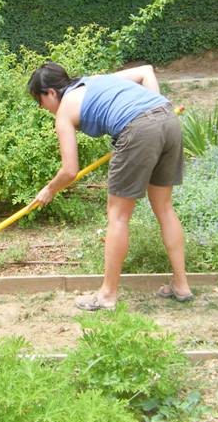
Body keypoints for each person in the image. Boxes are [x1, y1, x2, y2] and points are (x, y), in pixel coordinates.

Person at [27, 61, 193, 311]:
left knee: (118, 217)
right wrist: (152, 112)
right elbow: (145, 71)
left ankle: (106, 295)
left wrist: (49, 189)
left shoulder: (64, 112)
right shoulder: (96, 80)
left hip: (137, 131)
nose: (42, 108)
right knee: (165, 208)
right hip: (167, 119)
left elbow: (69, 170)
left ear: (50, 92)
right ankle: (181, 285)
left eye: (39, 102)